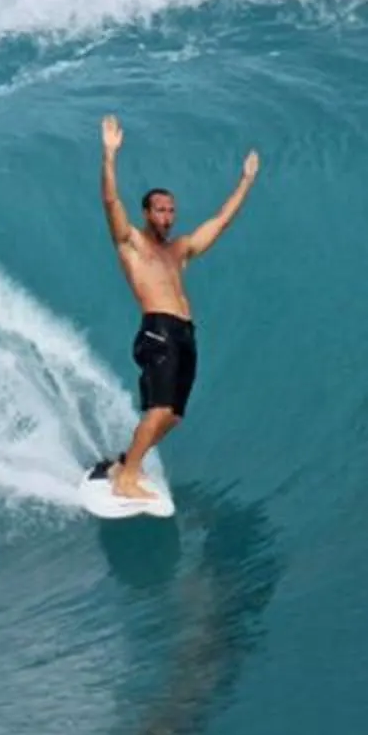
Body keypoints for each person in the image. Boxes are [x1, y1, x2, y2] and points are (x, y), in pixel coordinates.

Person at [97, 114, 258, 503]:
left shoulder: (179, 250)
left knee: (173, 416)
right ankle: (126, 479)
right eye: (160, 210)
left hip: (185, 334)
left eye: (171, 210)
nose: (167, 216)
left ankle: (125, 463)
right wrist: (110, 155)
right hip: (158, 330)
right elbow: (110, 201)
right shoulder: (131, 242)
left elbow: (220, 222)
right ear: (146, 213)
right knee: (160, 409)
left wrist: (246, 181)